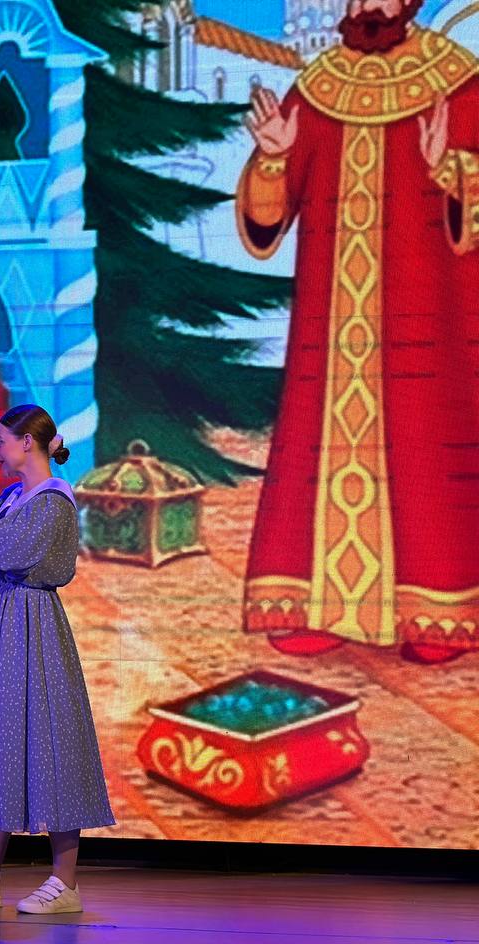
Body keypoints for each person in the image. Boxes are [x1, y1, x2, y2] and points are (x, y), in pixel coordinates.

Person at [238, 0, 477, 663]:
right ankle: (317, 605)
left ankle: (435, 608)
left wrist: (451, 170)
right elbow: (270, 216)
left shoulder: (457, 81)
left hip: (424, 320)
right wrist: (273, 159)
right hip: (333, 325)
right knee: (318, 449)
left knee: (428, 450)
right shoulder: (318, 89)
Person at [0, 405, 114, 915]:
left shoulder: (53, 500)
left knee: (49, 739)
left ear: (27, 443)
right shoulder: (14, 496)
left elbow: (10, 555)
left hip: (34, 626)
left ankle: (65, 883)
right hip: (1, 619)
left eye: (1, 440)